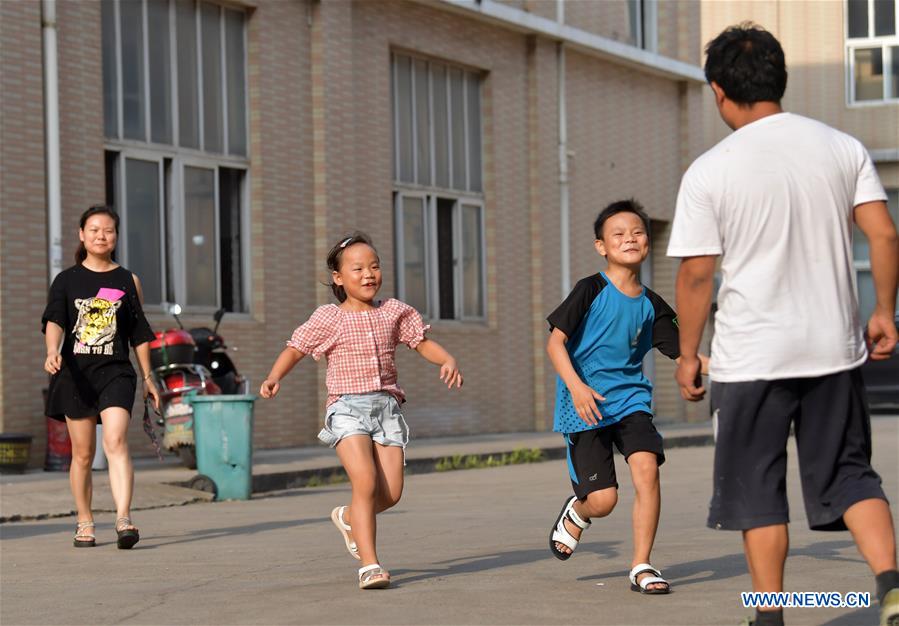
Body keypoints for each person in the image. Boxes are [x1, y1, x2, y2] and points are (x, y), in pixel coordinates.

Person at [668, 23, 899, 626]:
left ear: (718, 90)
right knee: (851, 474)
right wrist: (882, 311)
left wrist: (687, 354)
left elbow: (697, 276)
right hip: (833, 349)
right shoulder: (842, 147)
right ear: (781, 79)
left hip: (752, 357)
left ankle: (769, 617)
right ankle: (891, 586)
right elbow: (883, 233)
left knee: (756, 486)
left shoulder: (711, 169)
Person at [259, 232, 463, 590]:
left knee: (392, 493)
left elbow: (421, 342)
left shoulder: (394, 312)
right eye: (358, 269)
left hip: (386, 408)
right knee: (365, 481)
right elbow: (296, 348)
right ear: (339, 278)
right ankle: (370, 565)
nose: (369, 274)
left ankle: (350, 517)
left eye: (375, 266)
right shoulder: (329, 318)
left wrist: (446, 359)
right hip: (346, 407)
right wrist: (275, 376)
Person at [546, 200, 707, 595]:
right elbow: (555, 344)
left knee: (647, 470)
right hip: (585, 404)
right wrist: (577, 386)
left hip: (632, 402)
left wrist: (733, 364)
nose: (629, 239)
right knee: (603, 501)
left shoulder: (653, 305)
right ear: (601, 246)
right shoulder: (590, 289)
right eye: (618, 234)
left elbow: (686, 355)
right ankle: (578, 511)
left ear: (648, 243)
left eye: (636, 232)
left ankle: (642, 565)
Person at [42, 205, 160, 549]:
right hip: (75, 374)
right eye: (93, 229)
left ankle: (124, 518)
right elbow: (55, 321)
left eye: (108, 230)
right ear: (81, 234)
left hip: (116, 373)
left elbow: (139, 332)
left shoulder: (127, 280)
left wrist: (149, 377)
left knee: (116, 441)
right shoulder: (66, 280)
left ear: (116, 237)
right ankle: (84, 520)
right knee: (82, 454)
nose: (100, 235)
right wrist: (52, 350)